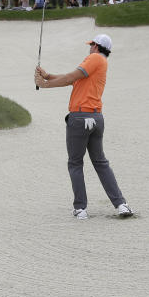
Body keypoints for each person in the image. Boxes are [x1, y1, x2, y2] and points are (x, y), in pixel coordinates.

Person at [34, 34, 133, 220]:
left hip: (80, 118)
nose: (89, 48)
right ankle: (121, 204)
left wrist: (45, 85)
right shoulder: (99, 64)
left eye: (91, 45)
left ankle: (80, 209)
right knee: (101, 163)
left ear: (96, 46)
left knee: (75, 163)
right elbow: (73, 79)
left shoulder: (94, 58)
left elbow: (72, 76)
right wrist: (48, 76)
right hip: (96, 118)